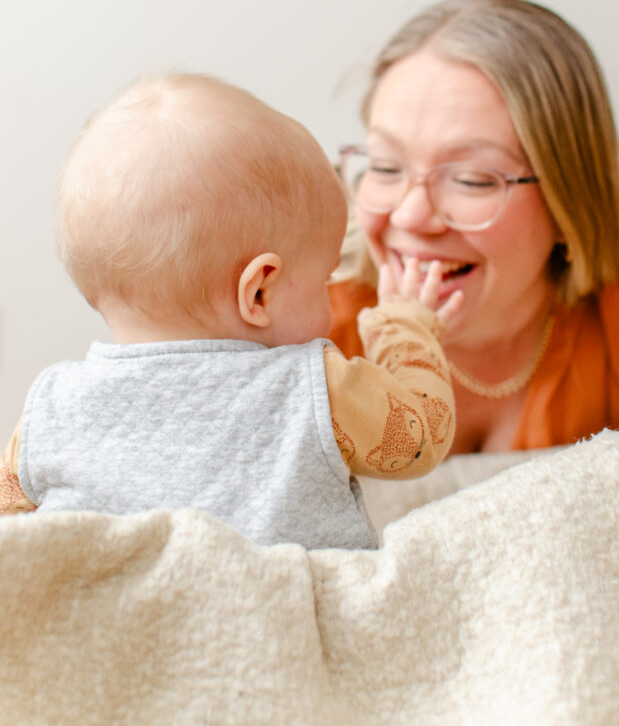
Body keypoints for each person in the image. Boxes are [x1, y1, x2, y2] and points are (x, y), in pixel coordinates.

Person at [0, 73, 461, 548]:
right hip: (283, 615)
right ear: (259, 292)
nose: (331, 295)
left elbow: (12, 530)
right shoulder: (314, 387)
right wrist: (407, 324)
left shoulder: (51, 406)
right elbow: (419, 437)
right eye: (324, 278)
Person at [330, 0, 619, 454]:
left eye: (472, 180)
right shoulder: (301, 303)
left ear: (568, 201)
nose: (410, 216)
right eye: (386, 167)